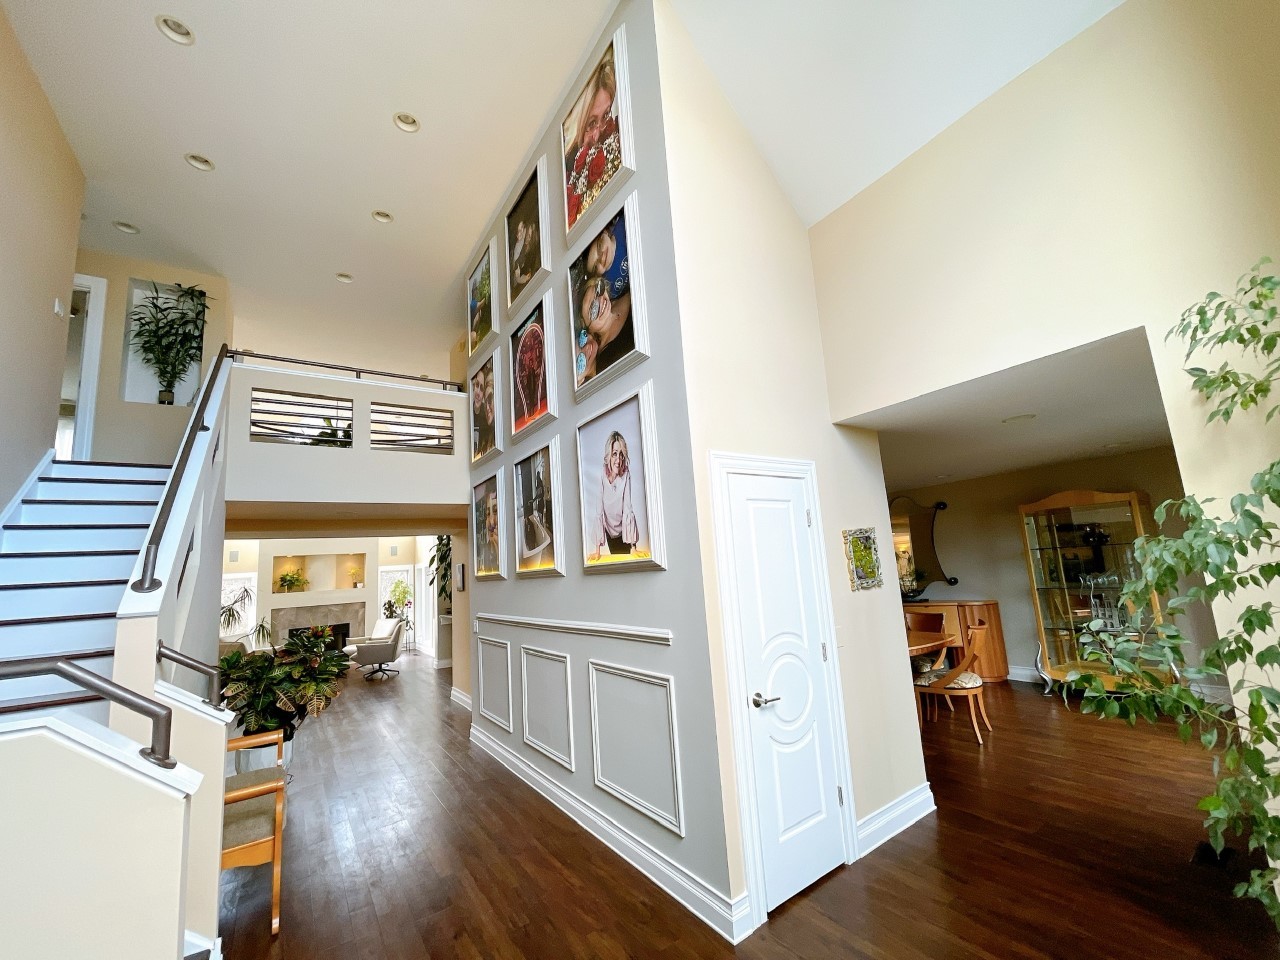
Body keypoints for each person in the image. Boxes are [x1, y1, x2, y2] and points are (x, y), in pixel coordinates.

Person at [564, 48, 622, 230]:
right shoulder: (567, 169)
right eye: (591, 123)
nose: (597, 134)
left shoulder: (611, 142)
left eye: (605, 116)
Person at [589, 430, 638, 560]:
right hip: (610, 532)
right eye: (614, 454)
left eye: (621, 454)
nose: (618, 459)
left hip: (624, 533)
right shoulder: (602, 475)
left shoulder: (626, 474)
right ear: (609, 456)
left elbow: (628, 508)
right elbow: (599, 511)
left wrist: (633, 548)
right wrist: (597, 551)